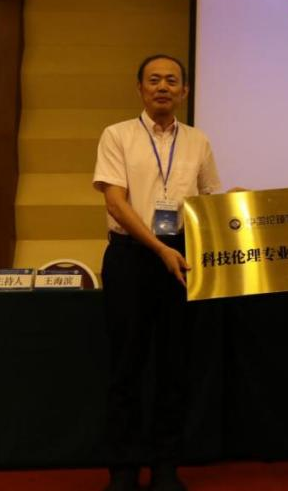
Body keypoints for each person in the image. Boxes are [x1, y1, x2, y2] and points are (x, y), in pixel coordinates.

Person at [93, 54, 221, 491]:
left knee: (174, 367)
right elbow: (116, 202)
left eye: (171, 80)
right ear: (140, 88)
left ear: (184, 91)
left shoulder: (198, 140)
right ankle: (123, 468)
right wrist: (159, 248)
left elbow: (208, 200)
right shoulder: (117, 135)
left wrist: (238, 205)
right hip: (131, 258)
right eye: (153, 80)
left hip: (182, 261)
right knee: (126, 367)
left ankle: (166, 466)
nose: (162, 87)